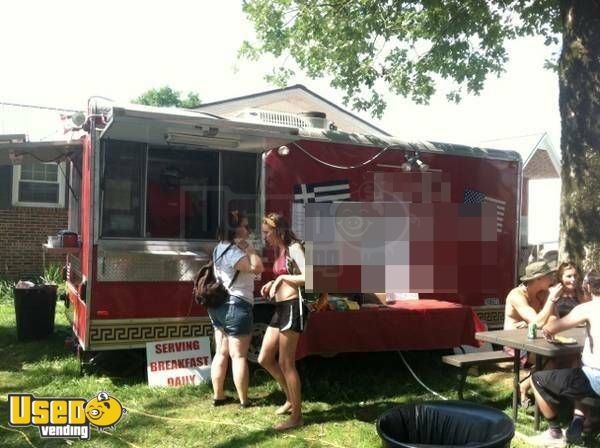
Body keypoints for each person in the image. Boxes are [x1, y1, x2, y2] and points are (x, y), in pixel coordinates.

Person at [531, 269, 600, 445]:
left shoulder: (588, 308)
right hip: (589, 377)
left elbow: (550, 328)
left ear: (589, 287)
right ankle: (579, 419)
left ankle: (554, 430)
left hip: (595, 379)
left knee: (537, 378)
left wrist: (552, 300)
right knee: (579, 369)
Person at [258, 212, 307, 430]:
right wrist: (272, 283)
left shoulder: (295, 247)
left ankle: (297, 417)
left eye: (267, 233)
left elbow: (310, 277)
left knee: (287, 363)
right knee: (264, 357)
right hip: (280, 308)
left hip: (294, 307)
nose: (265, 238)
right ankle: (289, 398)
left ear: (277, 230)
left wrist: (281, 278)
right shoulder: (282, 250)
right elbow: (285, 275)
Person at [208, 210, 263, 408]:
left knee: (221, 353)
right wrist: (249, 248)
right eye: (245, 226)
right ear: (235, 229)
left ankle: (219, 396)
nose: (248, 229)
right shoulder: (235, 252)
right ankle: (244, 400)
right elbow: (258, 268)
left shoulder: (219, 248)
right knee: (238, 355)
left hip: (218, 307)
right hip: (236, 305)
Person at [503, 261, 562, 406]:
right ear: (539, 279)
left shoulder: (544, 293)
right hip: (514, 343)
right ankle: (528, 388)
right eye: (549, 275)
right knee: (552, 360)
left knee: (563, 357)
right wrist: (551, 300)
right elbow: (538, 323)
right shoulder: (516, 295)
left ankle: (524, 386)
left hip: (536, 340)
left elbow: (555, 320)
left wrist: (542, 315)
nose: (553, 278)